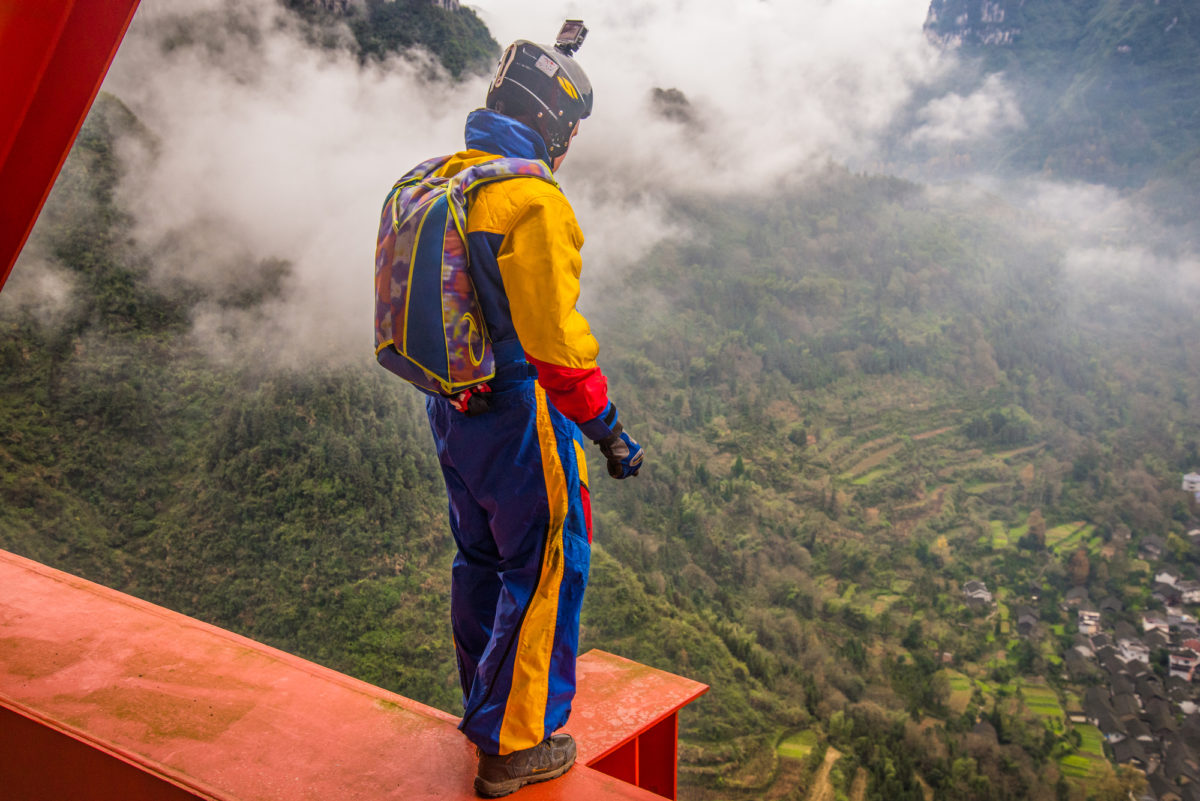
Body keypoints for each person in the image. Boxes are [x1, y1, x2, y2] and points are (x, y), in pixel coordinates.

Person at [417, 22, 644, 798]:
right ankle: (515, 744)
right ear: (553, 125)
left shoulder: (447, 178)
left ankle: (486, 703)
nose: (570, 145)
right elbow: (557, 346)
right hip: (516, 413)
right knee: (549, 564)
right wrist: (607, 430)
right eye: (571, 129)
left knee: (479, 559)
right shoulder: (529, 200)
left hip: (452, 409)